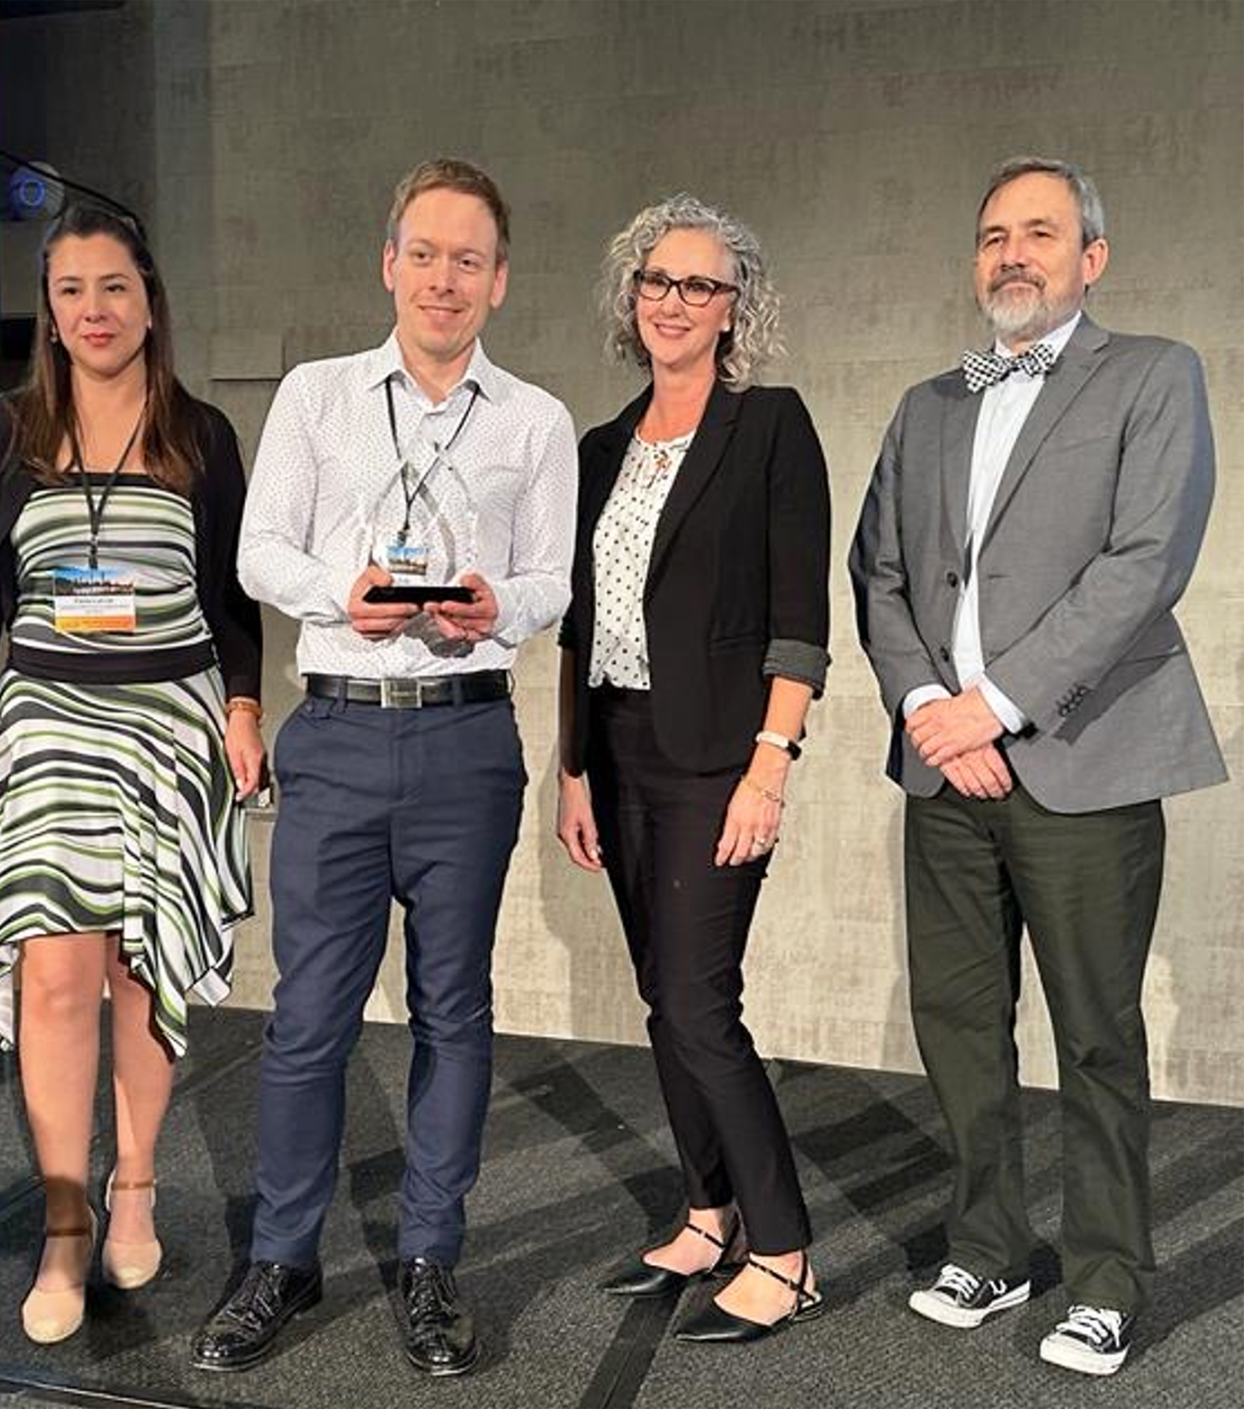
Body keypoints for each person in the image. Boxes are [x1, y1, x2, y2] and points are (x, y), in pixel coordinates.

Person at [190, 157, 576, 1377]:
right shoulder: (316, 395)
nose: (444, 278)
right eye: (425, 253)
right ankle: (283, 1257)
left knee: (454, 1013)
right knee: (307, 1017)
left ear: (499, 280)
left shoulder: (537, 418)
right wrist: (339, 597)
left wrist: (488, 606)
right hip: (342, 729)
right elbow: (260, 551)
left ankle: (427, 1259)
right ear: (388, 262)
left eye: (469, 259)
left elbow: (554, 583)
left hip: (467, 737)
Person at [850, 155, 1226, 1377]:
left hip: (1082, 763)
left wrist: (992, 709)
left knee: (1097, 1034)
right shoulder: (926, 403)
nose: (1012, 254)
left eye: (1041, 234)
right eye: (993, 235)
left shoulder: (1156, 375)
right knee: (959, 1021)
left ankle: (1110, 1275)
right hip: (943, 775)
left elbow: (1142, 564)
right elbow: (881, 577)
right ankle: (991, 1242)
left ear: (1092, 257)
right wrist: (925, 707)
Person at [0, 204, 264, 1345]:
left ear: (149, 296)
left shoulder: (205, 434)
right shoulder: (4, 430)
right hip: (43, 721)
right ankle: (66, 1223)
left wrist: (240, 705)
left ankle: (135, 1180)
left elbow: (232, 601)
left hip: (169, 727)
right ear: (51, 306)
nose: (94, 310)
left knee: (142, 968)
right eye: (72, 289)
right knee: (57, 972)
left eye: (114, 286)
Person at [557, 194, 831, 1343]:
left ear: (735, 307)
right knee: (663, 999)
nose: (675, 301)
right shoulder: (600, 445)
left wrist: (771, 763)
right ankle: (708, 1209)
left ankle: (786, 1247)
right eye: (658, 281)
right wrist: (569, 767)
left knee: (703, 1002)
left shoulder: (768, 425)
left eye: (700, 285)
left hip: (720, 755)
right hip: (614, 749)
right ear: (633, 298)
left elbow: (800, 620)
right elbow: (576, 624)